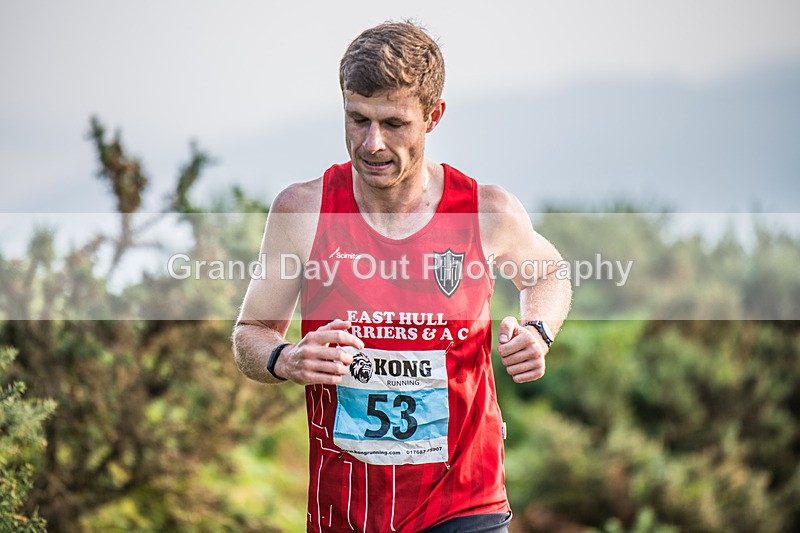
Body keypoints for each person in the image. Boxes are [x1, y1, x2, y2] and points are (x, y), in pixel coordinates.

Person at [233, 21, 571, 533]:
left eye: (394, 123)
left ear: (433, 117)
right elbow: (249, 334)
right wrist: (286, 359)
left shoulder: (484, 211)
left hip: (464, 501)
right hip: (346, 508)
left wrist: (537, 332)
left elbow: (548, 275)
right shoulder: (303, 212)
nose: (372, 143)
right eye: (357, 119)